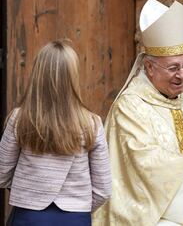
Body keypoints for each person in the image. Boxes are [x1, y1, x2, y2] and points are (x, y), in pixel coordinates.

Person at [92, 0, 183, 226]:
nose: (182, 75)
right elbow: (145, 162)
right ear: (149, 68)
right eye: (173, 68)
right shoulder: (130, 107)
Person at [0, 40, 112, 226]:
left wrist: (28, 193)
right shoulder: (92, 123)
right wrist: (77, 207)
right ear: (74, 76)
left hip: (28, 216)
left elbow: (2, 173)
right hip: (75, 218)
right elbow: (103, 189)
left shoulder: (19, 119)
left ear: (37, 74)